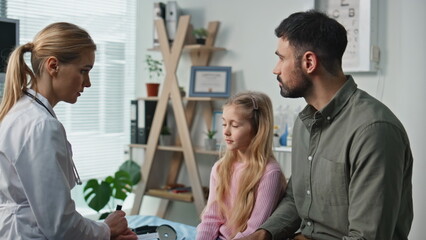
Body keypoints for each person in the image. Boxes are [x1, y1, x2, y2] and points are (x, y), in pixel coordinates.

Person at [237, 10, 413, 240]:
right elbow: (295, 199)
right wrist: (263, 234)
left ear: (309, 62)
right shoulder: (304, 123)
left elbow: (366, 237)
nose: (275, 69)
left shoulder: (374, 131)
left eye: (281, 58)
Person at [0, 22, 137, 240]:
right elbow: (60, 227)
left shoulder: (18, 112)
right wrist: (106, 229)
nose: (88, 83)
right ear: (53, 66)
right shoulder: (41, 126)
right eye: (84, 71)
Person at [196, 91, 287, 240]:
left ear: (258, 129)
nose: (226, 131)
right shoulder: (220, 168)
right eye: (224, 123)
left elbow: (254, 231)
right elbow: (211, 219)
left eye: (235, 125)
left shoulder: (270, 173)